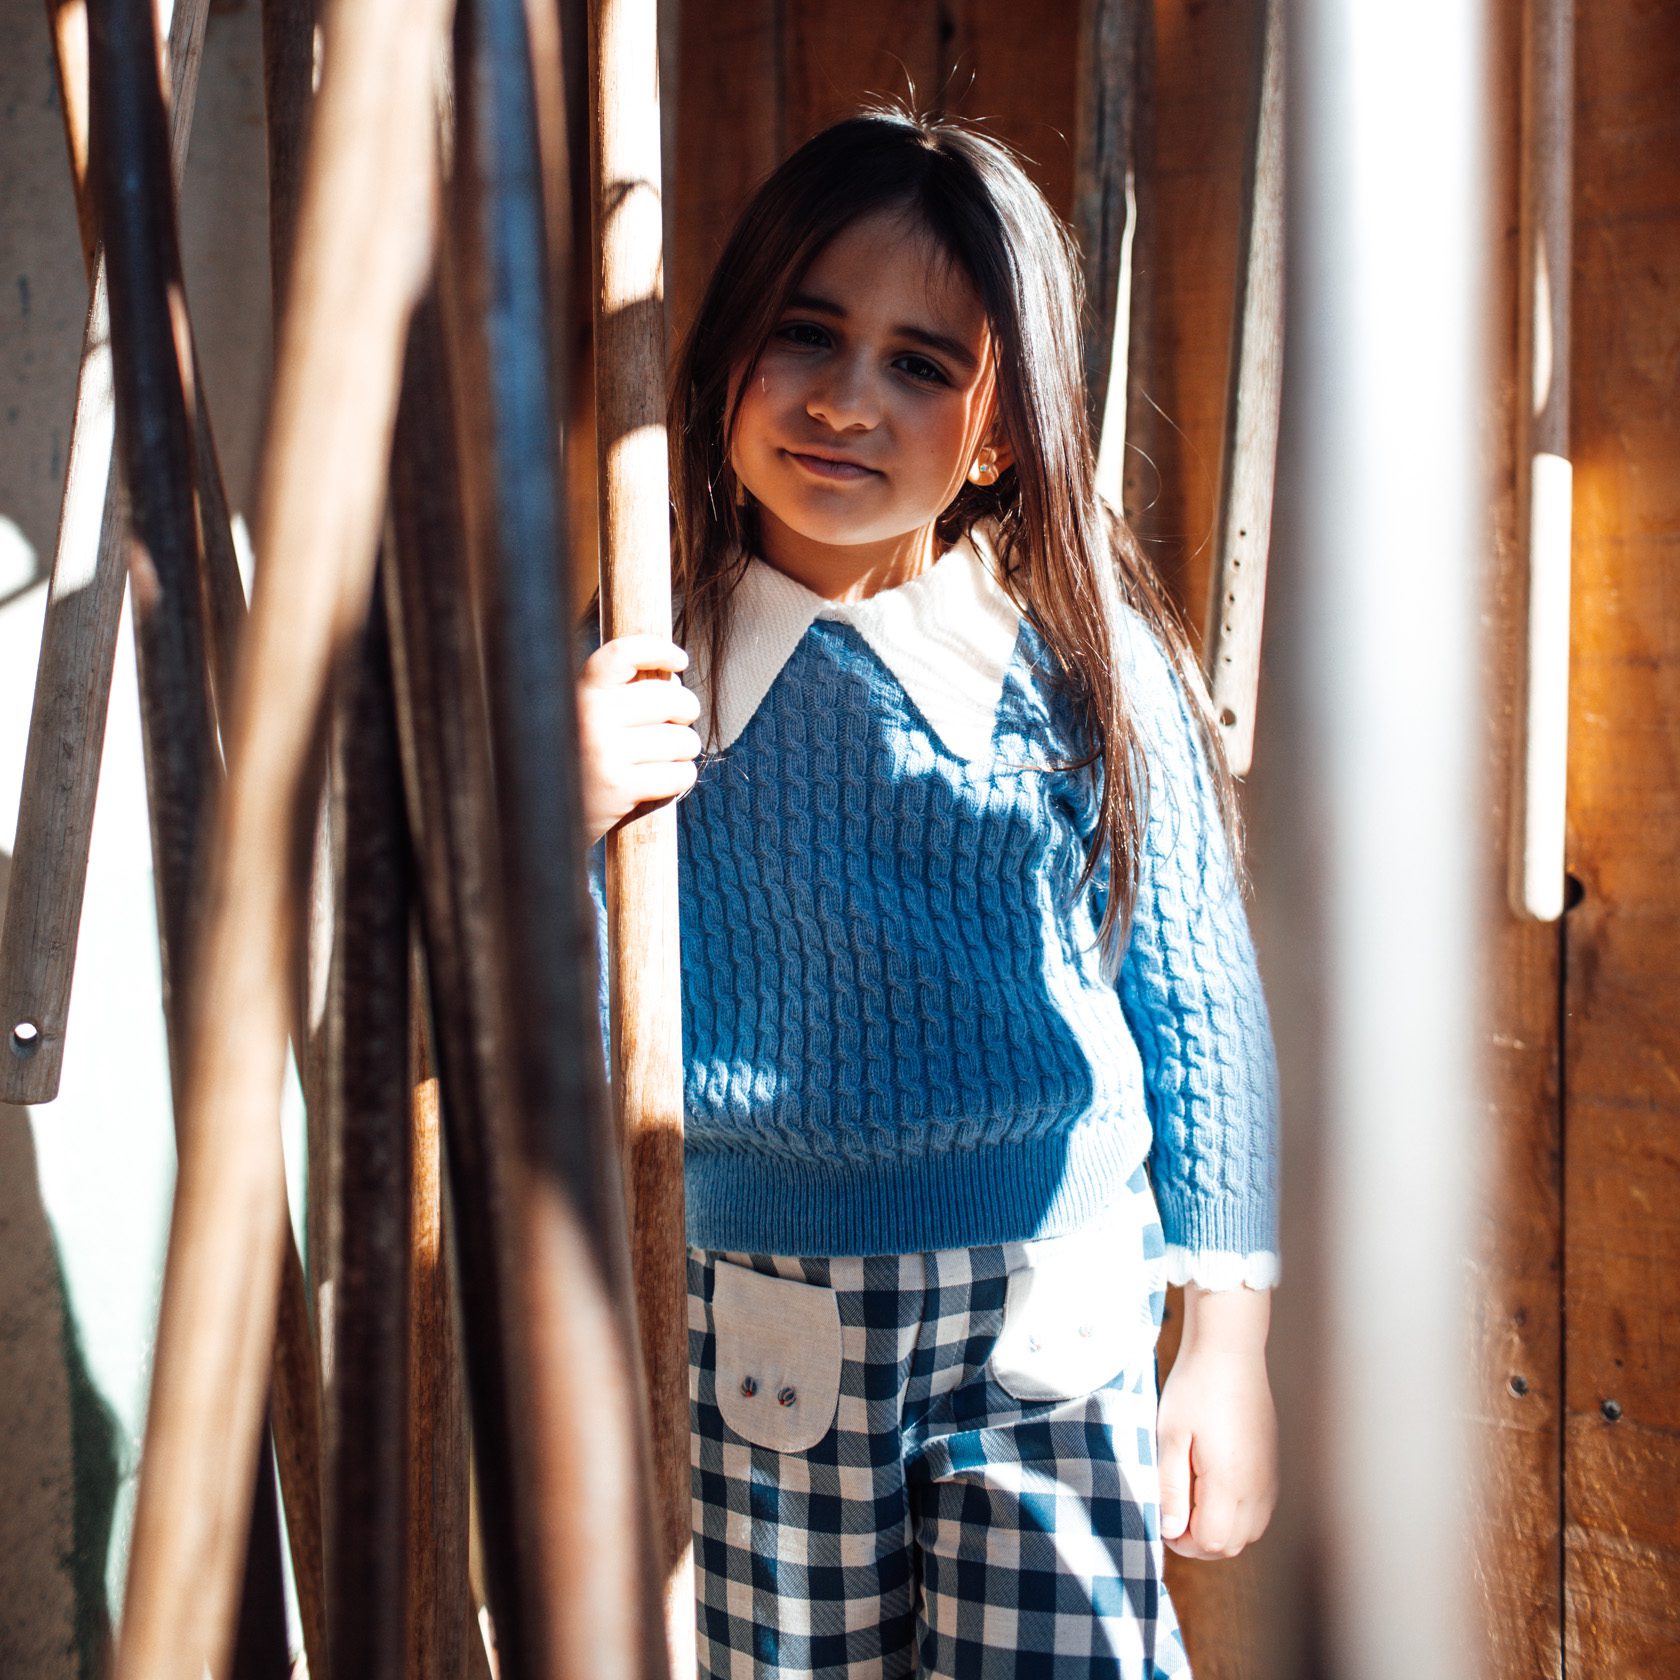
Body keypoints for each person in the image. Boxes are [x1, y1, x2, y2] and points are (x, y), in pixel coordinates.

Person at [578, 108, 1280, 1680]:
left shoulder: (1092, 668)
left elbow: (1201, 1003)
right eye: (805, 335)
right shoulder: (641, 663)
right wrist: (558, 800)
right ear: (724, 359)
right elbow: (539, 1012)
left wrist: (1223, 1343)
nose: (843, 398)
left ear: (1007, 428)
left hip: (1055, 1315)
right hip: (759, 1321)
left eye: (919, 363)